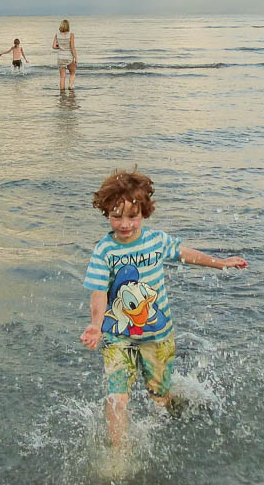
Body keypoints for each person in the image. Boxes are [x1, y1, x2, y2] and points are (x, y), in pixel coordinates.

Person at [79, 168, 248, 447]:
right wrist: (96, 326)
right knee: (117, 397)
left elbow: (185, 254)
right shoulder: (104, 251)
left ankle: (170, 418)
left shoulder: (156, 241)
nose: (124, 224)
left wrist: (220, 263)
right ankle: (118, 456)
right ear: (106, 213)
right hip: (117, 336)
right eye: (116, 216)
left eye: (132, 216)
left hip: (158, 336)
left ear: (144, 213)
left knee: (159, 396)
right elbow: (98, 293)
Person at [51, 19, 77, 91]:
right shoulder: (71, 34)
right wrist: (76, 58)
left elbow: (53, 46)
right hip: (69, 57)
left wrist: (59, 47)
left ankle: (62, 92)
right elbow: (72, 47)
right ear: (68, 26)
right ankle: (70, 86)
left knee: (62, 77)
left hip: (60, 57)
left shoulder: (57, 34)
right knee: (72, 73)